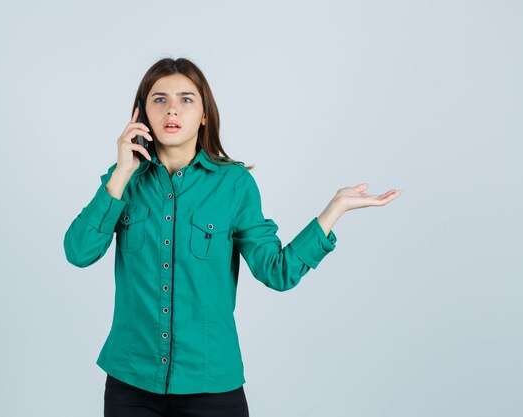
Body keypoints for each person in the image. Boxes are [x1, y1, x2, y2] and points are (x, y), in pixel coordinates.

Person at [63, 57, 402, 417]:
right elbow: (79, 252)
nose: (172, 109)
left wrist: (334, 210)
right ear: (141, 113)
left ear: (205, 114)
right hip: (131, 384)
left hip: (210, 386)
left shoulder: (235, 184)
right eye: (159, 99)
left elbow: (277, 271)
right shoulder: (123, 181)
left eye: (186, 99)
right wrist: (120, 174)